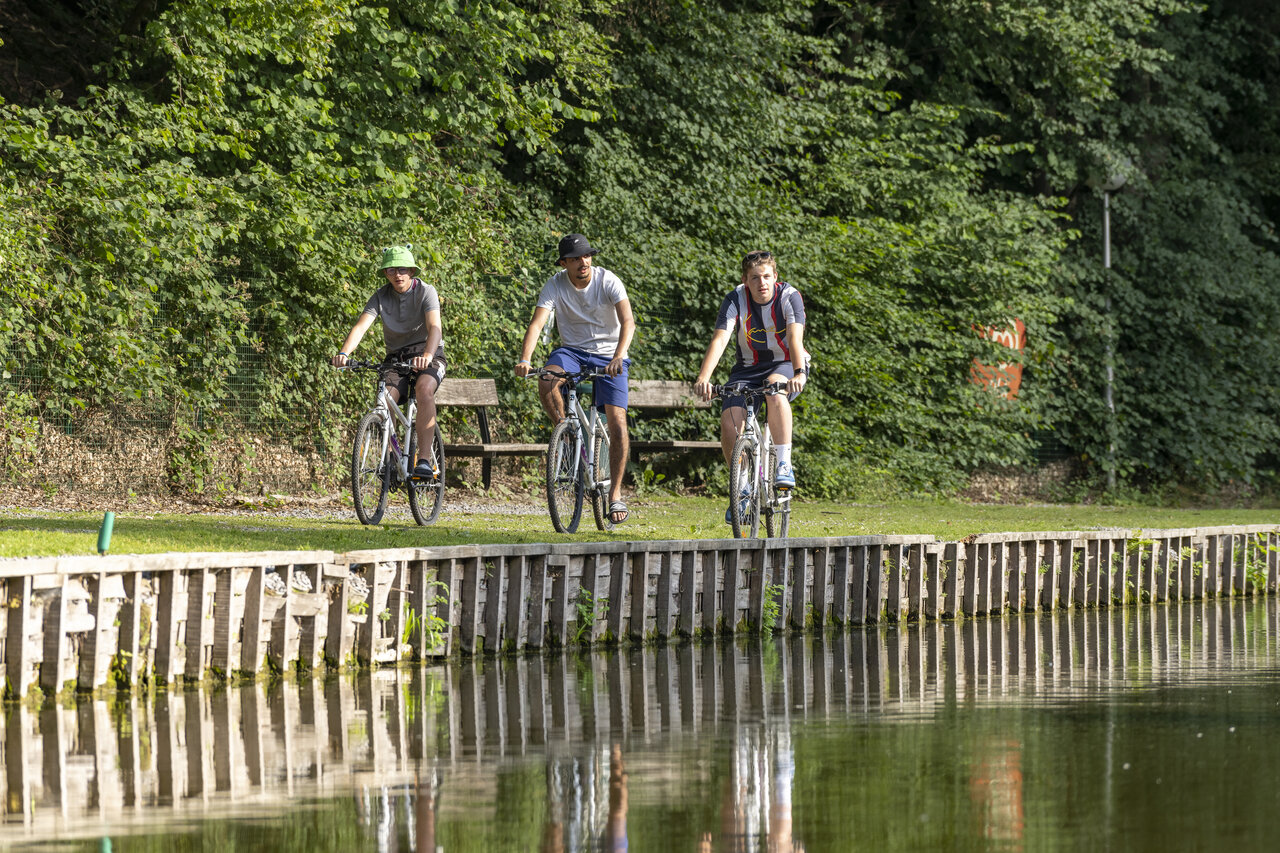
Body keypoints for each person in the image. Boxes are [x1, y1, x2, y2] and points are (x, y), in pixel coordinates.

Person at [514, 233, 635, 525]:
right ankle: (566, 435)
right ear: (564, 262)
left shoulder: (608, 281)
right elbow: (537, 322)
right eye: (576, 258)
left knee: (617, 422)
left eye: (587, 256)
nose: (583, 262)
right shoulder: (555, 284)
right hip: (572, 352)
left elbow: (628, 321)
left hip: (610, 355)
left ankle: (615, 494)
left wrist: (619, 355)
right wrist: (525, 358)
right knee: (546, 380)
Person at [693, 250, 808, 522]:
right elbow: (720, 339)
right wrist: (704, 377)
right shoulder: (735, 298)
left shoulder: (790, 296)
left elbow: (794, 338)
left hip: (785, 363)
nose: (762, 283)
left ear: (775, 277)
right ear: (745, 280)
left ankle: (783, 462)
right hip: (746, 369)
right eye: (755, 278)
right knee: (729, 420)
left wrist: (799, 372)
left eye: (767, 276)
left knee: (774, 389)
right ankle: (741, 487)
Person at [331, 245, 446, 478]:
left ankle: (423, 459)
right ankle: (393, 459)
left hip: (428, 352)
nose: (397, 275)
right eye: (391, 270)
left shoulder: (426, 291)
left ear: (412, 271)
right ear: (385, 273)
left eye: (403, 269)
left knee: (424, 389)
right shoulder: (380, 296)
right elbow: (361, 327)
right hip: (397, 357)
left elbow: (435, 327)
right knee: (384, 398)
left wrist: (427, 355)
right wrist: (344, 353)